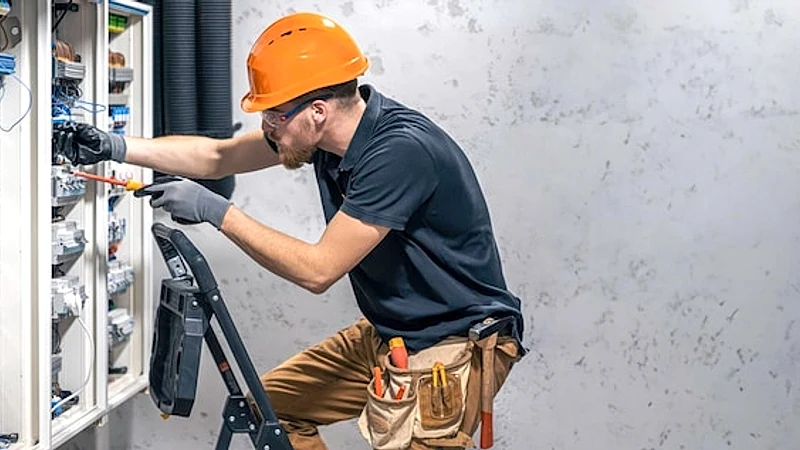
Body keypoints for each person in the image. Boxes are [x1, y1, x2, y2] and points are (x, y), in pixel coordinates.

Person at [53, 11, 526, 450]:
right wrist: (115, 146)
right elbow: (218, 157)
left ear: (318, 110)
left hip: (455, 345)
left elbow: (318, 270)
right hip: (395, 330)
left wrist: (216, 211)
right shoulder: (324, 136)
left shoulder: (399, 153)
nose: (267, 128)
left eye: (274, 116)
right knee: (270, 407)